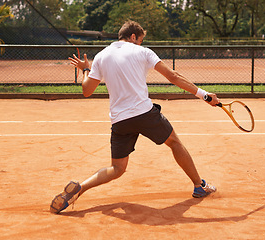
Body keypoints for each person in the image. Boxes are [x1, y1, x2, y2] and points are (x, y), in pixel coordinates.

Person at [50, 20, 220, 214]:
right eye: (140, 40)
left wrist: (85, 70)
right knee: (174, 142)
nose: (140, 43)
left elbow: (87, 90)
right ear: (133, 37)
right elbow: (173, 76)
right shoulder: (143, 52)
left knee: (117, 168)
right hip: (144, 113)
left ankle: (81, 187)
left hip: (119, 121)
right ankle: (199, 186)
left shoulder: (101, 56)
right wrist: (204, 95)